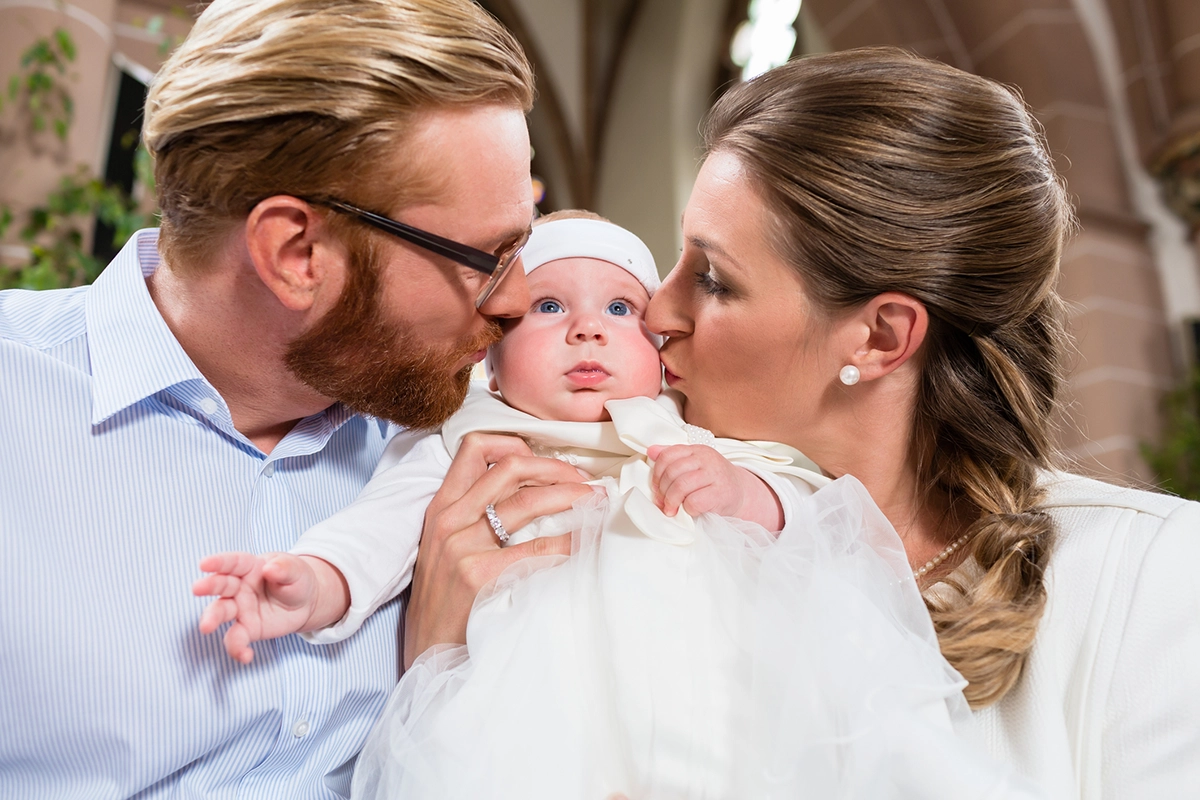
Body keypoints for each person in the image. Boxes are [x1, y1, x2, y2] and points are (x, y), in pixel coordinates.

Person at [403, 47, 1200, 799]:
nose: (655, 310)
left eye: (713, 279)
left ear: (880, 337)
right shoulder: (588, 531)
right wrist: (436, 658)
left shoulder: (1149, 576)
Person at [197, 213, 1023, 799]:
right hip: (534, 718)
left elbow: (819, 508)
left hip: (723, 712)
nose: (587, 331)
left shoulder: (693, 437)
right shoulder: (463, 438)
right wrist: (313, 581)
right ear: (491, 355)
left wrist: (742, 493)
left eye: (619, 310)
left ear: (659, 357)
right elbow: (377, 531)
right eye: (549, 307)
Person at [0, 1, 589, 797]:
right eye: (490, 256)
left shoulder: (467, 433)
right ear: (296, 252)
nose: (518, 299)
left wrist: (442, 671)